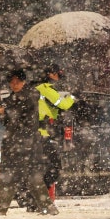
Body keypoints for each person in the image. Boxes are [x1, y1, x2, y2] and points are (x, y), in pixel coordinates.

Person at [0, 68, 58, 215]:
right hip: (14, 144)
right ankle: (1, 208)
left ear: (23, 82)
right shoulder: (13, 99)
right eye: (12, 82)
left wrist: (6, 112)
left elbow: (24, 122)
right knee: (9, 178)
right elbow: (9, 123)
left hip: (26, 145)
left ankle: (48, 208)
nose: (14, 84)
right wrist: (2, 114)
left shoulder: (28, 98)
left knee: (31, 179)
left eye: (17, 81)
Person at [35, 65, 76, 194]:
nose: (59, 78)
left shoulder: (37, 87)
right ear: (51, 74)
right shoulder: (45, 88)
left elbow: (49, 106)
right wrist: (73, 97)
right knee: (54, 167)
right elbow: (62, 104)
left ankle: (35, 196)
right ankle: (38, 196)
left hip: (37, 132)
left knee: (41, 166)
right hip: (43, 132)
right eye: (58, 74)